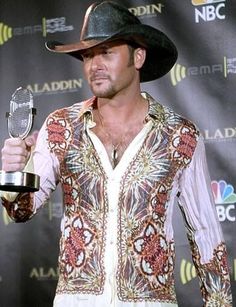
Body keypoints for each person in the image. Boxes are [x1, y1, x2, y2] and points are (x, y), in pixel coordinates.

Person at [0, 1, 232, 306]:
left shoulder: (179, 136)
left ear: (138, 56)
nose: (94, 65)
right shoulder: (60, 127)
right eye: (87, 55)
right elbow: (20, 211)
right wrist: (11, 174)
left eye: (106, 52)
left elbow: (206, 235)